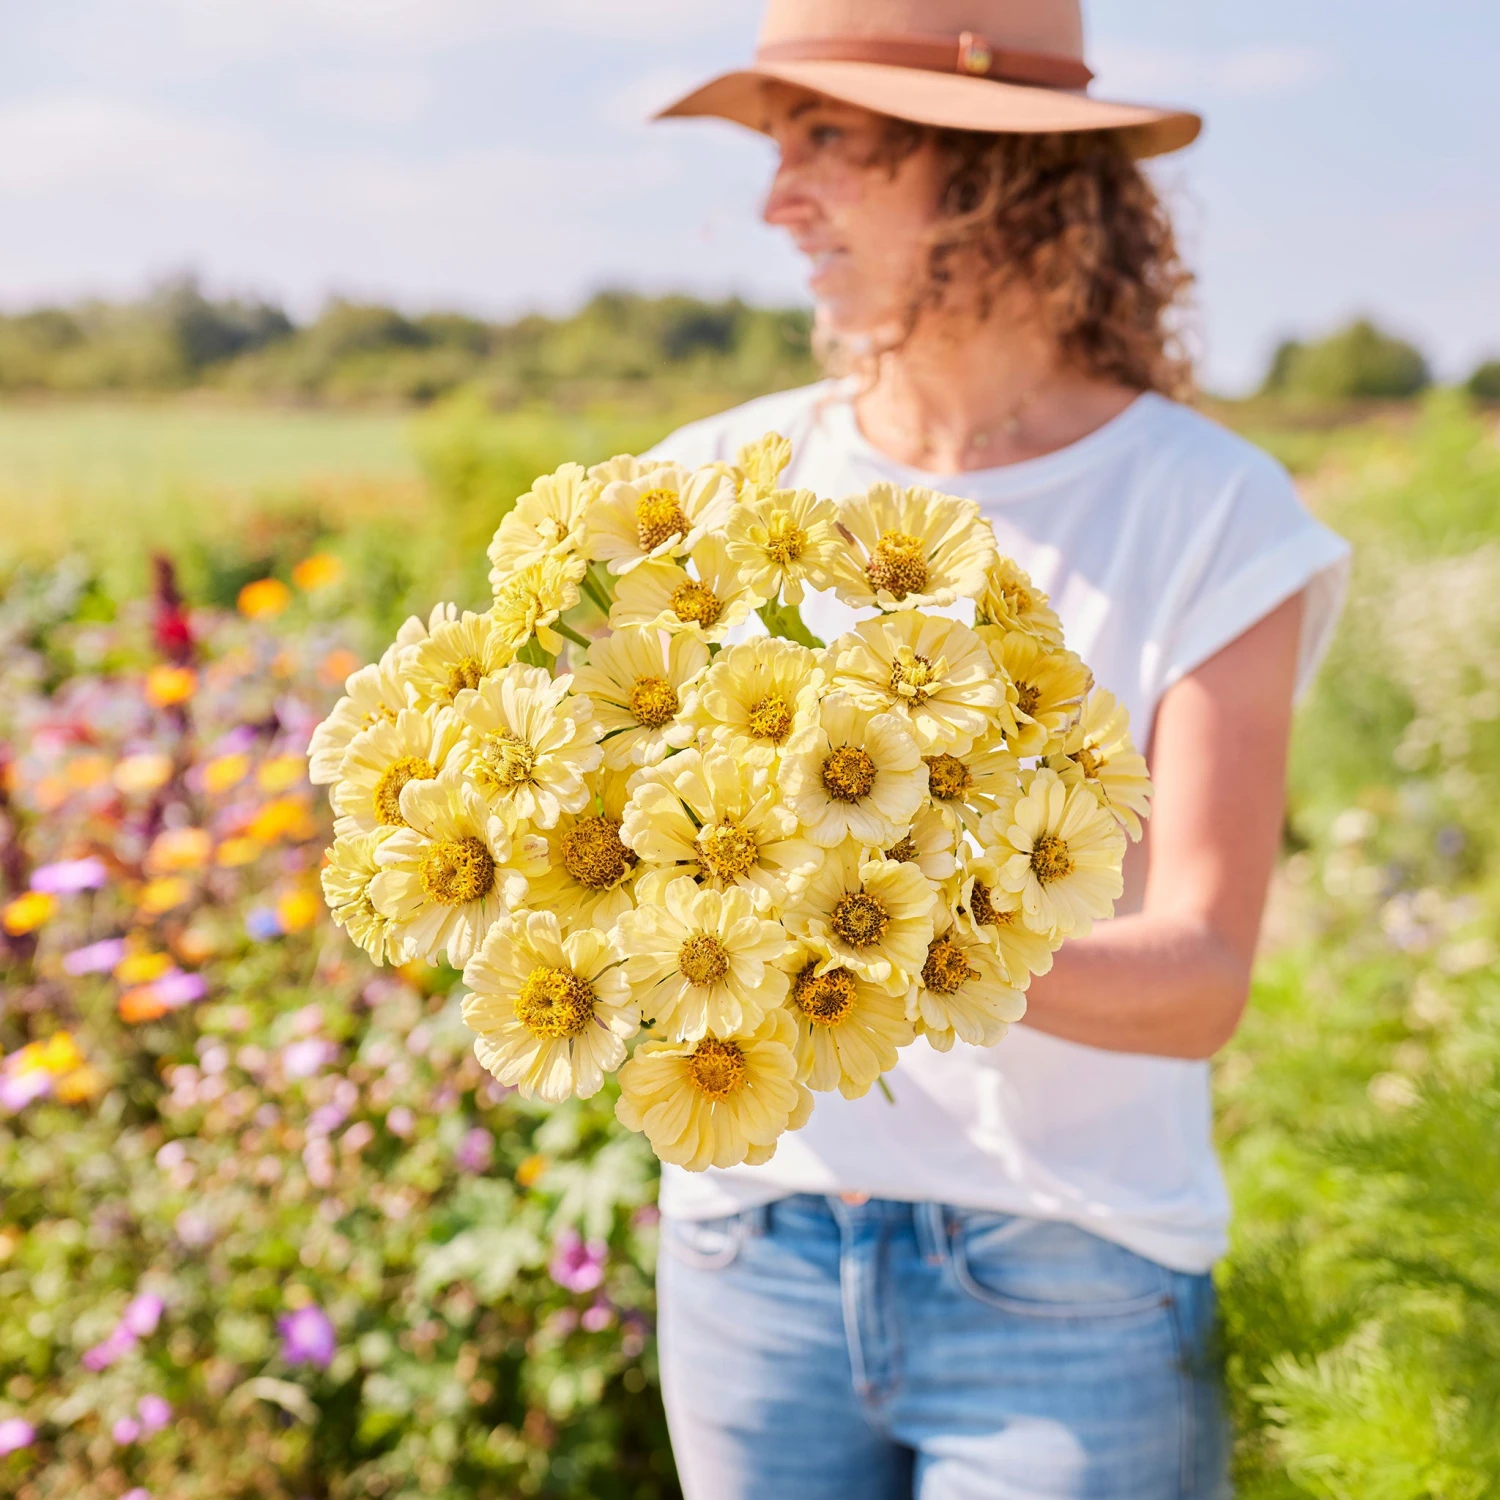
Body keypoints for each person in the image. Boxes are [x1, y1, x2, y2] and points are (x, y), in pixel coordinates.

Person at [643, 3, 1351, 1496]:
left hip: (1069, 1287)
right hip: (747, 1254)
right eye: (779, 148)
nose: (779, 200)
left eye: (828, 141)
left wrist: (880, 939)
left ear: (992, 173)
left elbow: (1202, 981)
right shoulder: (705, 482)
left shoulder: (1212, 514)